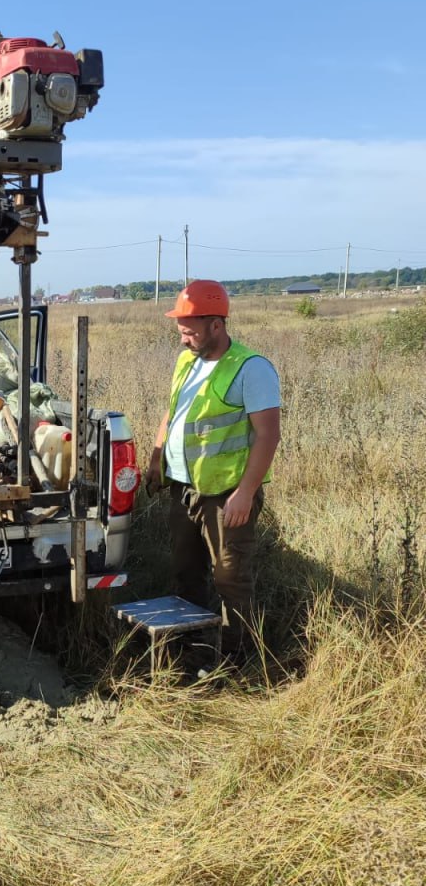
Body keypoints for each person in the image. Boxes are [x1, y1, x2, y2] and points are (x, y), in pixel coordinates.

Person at [144, 279, 281, 661]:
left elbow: (268, 435)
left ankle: (238, 659)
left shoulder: (251, 369)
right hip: (184, 488)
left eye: (190, 332)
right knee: (186, 572)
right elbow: (173, 411)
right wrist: (156, 458)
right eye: (181, 331)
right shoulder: (187, 360)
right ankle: (194, 648)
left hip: (226, 494)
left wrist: (245, 493)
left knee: (229, 578)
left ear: (216, 325)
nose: (183, 339)